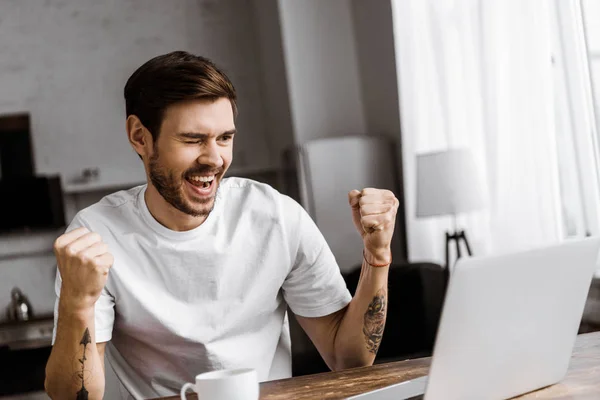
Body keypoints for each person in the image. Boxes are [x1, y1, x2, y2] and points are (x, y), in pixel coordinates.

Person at [44, 51, 399, 400]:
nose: (214, 158)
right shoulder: (96, 235)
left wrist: (377, 255)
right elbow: (74, 398)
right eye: (193, 139)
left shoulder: (276, 217)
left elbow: (348, 359)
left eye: (224, 138)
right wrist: (77, 304)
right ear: (140, 136)